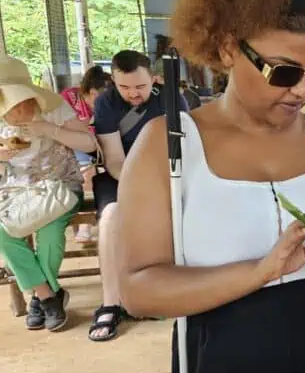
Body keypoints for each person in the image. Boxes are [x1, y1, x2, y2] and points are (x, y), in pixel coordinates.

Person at [118, 0, 305, 373]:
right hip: (226, 352)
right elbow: (138, 289)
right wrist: (261, 271)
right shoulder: (169, 144)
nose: (302, 90)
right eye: (285, 71)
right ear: (228, 49)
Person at [89, 50, 188, 341]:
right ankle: (110, 303)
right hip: (121, 174)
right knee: (110, 218)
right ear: (114, 82)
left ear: (154, 79)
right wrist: (141, 188)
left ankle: (174, 290)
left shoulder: (171, 97)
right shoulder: (106, 103)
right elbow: (115, 158)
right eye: (125, 87)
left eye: (140, 87)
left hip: (165, 171)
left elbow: (187, 143)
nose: (133, 93)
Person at [0, 55, 98, 331]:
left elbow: (89, 144)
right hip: (13, 192)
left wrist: (49, 130)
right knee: (4, 233)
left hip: (59, 189)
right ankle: (47, 296)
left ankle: (39, 297)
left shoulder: (53, 107)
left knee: (50, 233)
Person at [60, 65, 111, 242]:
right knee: (87, 172)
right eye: (98, 96)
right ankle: (82, 225)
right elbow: (60, 125)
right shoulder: (68, 97)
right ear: (90, 92)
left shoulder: (105, 104)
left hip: (96, 144)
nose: (101, 101)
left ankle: (84, 226)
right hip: (70, 145)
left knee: (92, 171)